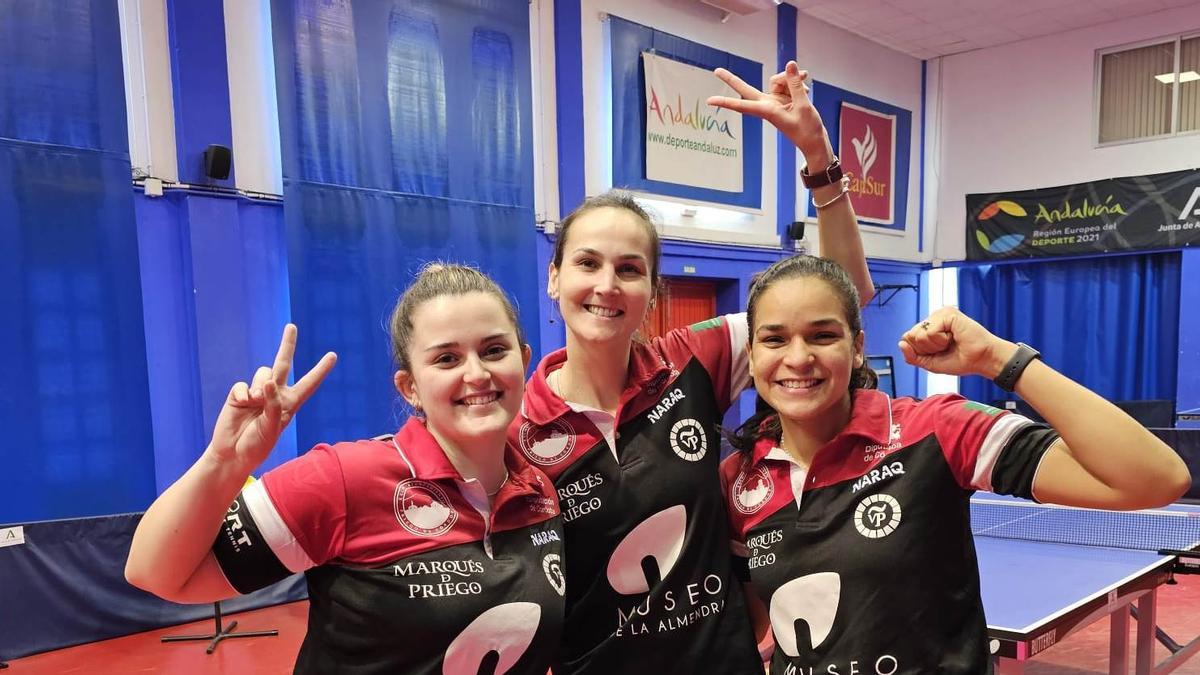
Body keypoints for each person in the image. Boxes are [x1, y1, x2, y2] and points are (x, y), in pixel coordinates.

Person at [508, 62, 874, 673]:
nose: (606, 284)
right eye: (587, 263)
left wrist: (817, 155)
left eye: (628, 269)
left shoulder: (693, 359)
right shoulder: (516, 429)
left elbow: (841, 293)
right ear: (554, 277)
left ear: (652, 290)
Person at [719, 254, 1193, 674]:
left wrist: (999, 359)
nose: (798, 358)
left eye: (823, 335)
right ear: (753, 355)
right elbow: (753, 620)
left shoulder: (936, 430)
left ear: (857, 346)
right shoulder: (739, 478)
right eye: (774, 339)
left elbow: (1155, 479)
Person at [126, 264, 566, 675]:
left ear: (523, 360)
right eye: (446, 359)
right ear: (409, 387)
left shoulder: (539, 491)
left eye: (493, 350)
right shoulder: (344, 478)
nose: (477, 374)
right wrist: (225, 463)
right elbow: (156, 573)